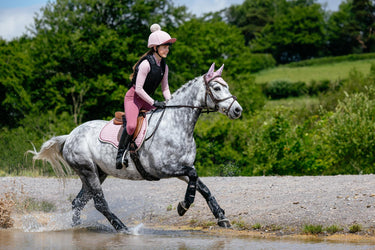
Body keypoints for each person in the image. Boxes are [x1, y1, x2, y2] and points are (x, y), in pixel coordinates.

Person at [116, 23, 176, 169]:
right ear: (155, 48)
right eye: (164, 47)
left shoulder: (164, 66)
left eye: (168, 47)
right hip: (134, 99)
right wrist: (154, 102)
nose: (167, 49)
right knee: (130, 126)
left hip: (146, 100)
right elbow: (138, 89)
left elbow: (165, 88)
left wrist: (171, 102)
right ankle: (120, 155)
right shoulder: (145, 64)